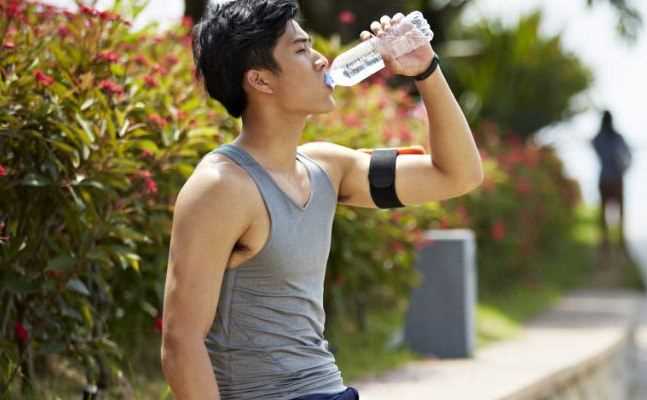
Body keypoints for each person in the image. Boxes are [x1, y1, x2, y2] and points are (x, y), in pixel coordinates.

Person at [159, 2, 483, 399]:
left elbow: (458, 174)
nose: (320, 59)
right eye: (300, 50)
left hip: (330, 389)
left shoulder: (326, 167)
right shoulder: (221, 187)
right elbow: (180, 342)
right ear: (260, 80)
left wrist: (426, 70)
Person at [591, 110, 633, 257]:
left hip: (604, 178)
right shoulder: (617, 137)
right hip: (616, 178)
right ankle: (620, 242)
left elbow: (594, 146)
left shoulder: (598, 138)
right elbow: (628, 155)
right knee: (620, 211)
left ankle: (605, 244)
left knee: (603, 213)